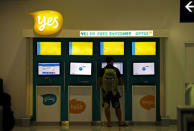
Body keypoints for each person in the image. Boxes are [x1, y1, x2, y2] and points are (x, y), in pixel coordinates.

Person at [98, 56, 127, 127]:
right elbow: (121, 80)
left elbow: (99, 80)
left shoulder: (103, 70)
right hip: (114, 92)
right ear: (112, 61)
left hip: (105, 92)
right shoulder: (116, 69)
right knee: (117, 107)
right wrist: (118, 86)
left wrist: (101, 88)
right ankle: (120, 122)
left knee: (106, 106)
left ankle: (109, 122)